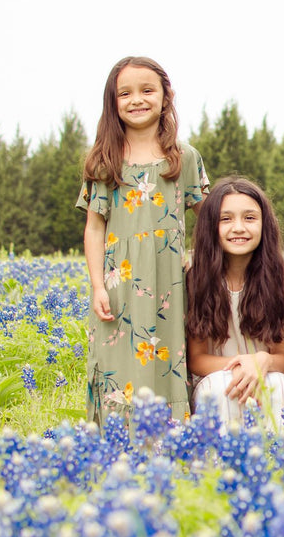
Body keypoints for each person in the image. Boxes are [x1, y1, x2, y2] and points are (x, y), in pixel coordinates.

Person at [77, 56, 209, 424]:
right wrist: (97, 285)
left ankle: (170, 443)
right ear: (113, 102)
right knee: (117, 362)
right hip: (119, 283)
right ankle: (117, 443)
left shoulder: (183, 158)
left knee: (168, 359)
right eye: (125, 93)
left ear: (166, 97)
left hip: (169, 282)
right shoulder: (103, 160)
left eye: (147, 90)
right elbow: (94, 227)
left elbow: (212, 216)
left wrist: (200, 256)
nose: (137, 99)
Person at [185, 176, 284, 428]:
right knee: (220, 390)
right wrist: (242, 367)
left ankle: (273, 463)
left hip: (266, 373)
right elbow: (197, 358)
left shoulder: (279, 274)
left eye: (249, 218)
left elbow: (282, 357)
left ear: (264, 224)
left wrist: (260, 362)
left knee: (278, 386)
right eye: (226, 219)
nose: (238, 228)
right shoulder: (195, 275)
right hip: (215, 377)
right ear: (210, 226)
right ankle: (220, 466)